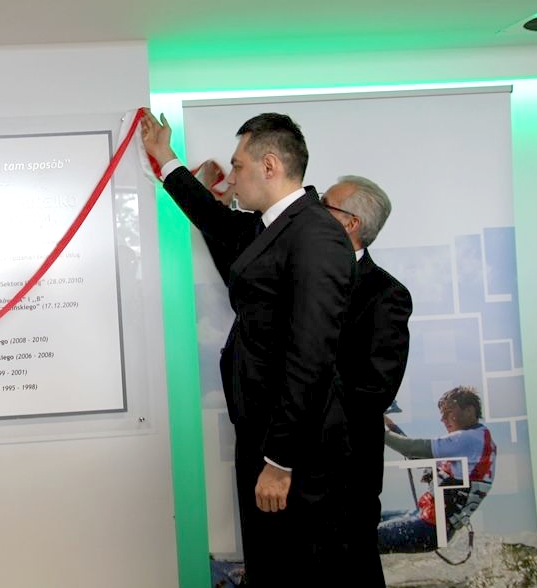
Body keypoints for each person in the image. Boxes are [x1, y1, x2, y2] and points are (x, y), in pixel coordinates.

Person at [141, 110, 356, 585]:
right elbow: (214, 218)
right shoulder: (271, 226)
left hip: (295, 450)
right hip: (264, 432)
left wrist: (280, 461)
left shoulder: (315, 235)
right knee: (270, 564)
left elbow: (310, 357)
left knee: (299, 568)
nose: (232, 177)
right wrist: (165, 158)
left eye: (238, 166)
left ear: (270, 165)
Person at [323, 175, 413, 585]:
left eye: (325, 204)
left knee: (354, 566)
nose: (314, 210)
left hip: (347, 463)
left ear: (351, 222)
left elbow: (375, 388)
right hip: (296, 463)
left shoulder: (386, 294)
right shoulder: (302, 278)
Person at [379, 386, 496, 554]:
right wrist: (389, 424)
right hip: (427, 518)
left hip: (430, 527)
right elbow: (415, 456)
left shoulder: (469, 439)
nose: (442, 419)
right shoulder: (478, 439)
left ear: (469, 411)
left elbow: (410, 448)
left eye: (448, 413)